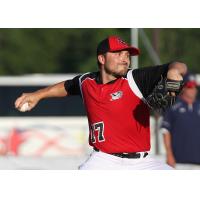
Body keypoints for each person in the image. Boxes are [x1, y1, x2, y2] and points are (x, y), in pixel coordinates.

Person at [15, 35, 187, 170]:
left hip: (142, 162)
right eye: (118, 54)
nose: (125, 59)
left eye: (127, 55)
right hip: (103, 160)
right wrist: (38, 95)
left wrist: (173, 71)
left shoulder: (135, 79)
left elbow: (179, 65)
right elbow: (67, 87)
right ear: (102, 59)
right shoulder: (86, 82)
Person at [160, 73, 200, 169]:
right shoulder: (173, 107)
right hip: (179, 162)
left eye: (195, 86)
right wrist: (169, 155)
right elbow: (166, 132)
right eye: (190, 86)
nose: (193, 90)